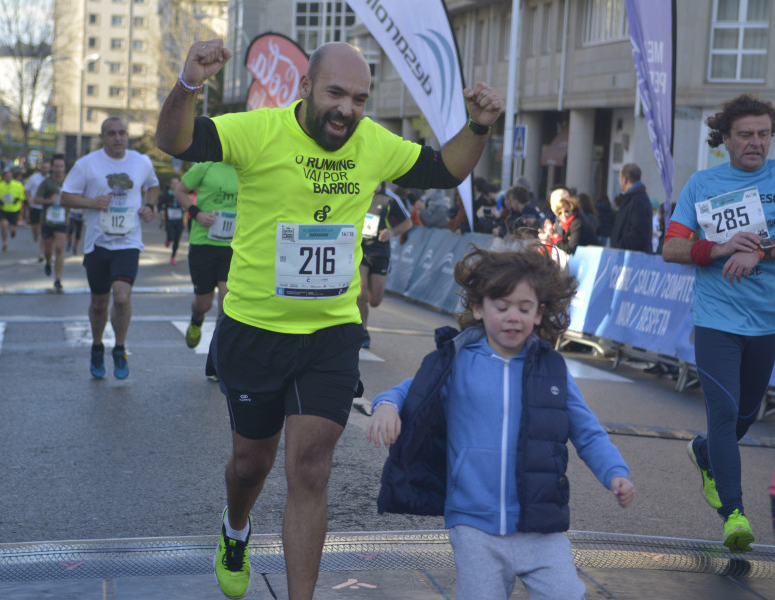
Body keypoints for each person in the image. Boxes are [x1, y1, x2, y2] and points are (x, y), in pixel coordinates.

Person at [155, 38, 502, 600]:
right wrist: (190, 84)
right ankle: (236, 527)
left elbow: (444, 168)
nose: (347, 109)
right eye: (336, 93)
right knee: (250, 464)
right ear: (306, 88)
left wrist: (479, 125)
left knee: (311, 470)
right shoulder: (258, 131)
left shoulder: (372, 142)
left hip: (331, 332)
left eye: (360, 98)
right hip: (255, 327)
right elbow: (172, 139)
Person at [366, 244, 635, 600]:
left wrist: (615, 472)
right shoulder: (457, 362)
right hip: (474, 524)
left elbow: (587, 432)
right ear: (478, 308)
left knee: (566, 594)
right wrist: (385, 406)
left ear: (539, 314)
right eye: (502, 306)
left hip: (540, 525)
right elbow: (409, 393)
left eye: (524, 308)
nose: (513, 317)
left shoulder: (551, 370)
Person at [662, 93, 775, 553]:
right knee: (726, 415)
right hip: (717, 321)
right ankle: (734, 515)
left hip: (766, 322)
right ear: (724, 139)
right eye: (745, 134)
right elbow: (671, 248)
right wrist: (721, 248)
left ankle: (705, 453)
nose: (756, 143)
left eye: (764, 134)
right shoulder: (703, 184)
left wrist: (762, 250)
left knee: (746, 415)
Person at [61, 116, 160, 380]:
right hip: (98, 244)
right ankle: (96, 346)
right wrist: (94, 203)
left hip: (128, 242)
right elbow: (65, 196)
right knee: (98, 302)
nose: (118, 138)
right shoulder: (87, 164)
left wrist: (149, 206)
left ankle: (119, 348)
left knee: (122, 296)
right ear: (102, 137)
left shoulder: (141, 161)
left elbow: (153, 186)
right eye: (112, 133)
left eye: (122, 133)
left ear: (128, 136)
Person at [172, 161, 238, 350]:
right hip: (204, 244)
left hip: (233, 245)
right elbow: (180, 192)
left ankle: (218, 357)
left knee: (226, 305)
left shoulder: (245, 166)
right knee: (204, 304)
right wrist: (197, 213)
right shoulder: (205, 166)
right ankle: (196, 320)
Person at [358, 189, 412, 348]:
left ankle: (365, 295)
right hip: (360, 249)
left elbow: (408, 222)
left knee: (375, 301)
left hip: (380, 251)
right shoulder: (359, 189)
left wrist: (392, 232)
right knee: (360, 292)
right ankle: (363, 331)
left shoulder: (389, 198)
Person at [34, 154, 69, 293]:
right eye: (56, 166)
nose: (59, 169)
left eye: (61, 166)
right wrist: (49, 201)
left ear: (64, 167)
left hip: (63, 220)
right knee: (48, 250)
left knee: (60, 248)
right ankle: (48, 261)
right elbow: (36, 199)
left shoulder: (69, 182)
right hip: (48, 220)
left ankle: (58, 279)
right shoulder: (47, 183)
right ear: (52, 168)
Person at [611, 163, 653, 252]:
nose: (618, 181)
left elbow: (637, 234)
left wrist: (619, 246)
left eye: (619, 177)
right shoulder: (632, 198)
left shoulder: (638, 200)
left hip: (630, 259)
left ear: (625, 179)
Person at [0, 170, 26, 251]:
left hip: (14, 209)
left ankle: (13, 232)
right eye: (6, 176)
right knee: (3, 225)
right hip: (3, 209)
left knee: (12, 228)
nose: (8, 178)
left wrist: (18, 199)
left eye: (10, 176)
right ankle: (4, 243)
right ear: (4, 177)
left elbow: (23, 194)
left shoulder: (18, 184)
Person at [25, 160, 51, 259]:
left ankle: (42, 253)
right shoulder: (34, 178)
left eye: (47, 167)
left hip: (46, 207)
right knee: (36, 228)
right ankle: (35, 235)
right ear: (40, 168)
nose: (45, 169)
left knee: (43, 229)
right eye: (43, 167)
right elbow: (26, 190)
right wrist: (29, 201)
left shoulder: (50, 178)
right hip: (35, 206)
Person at [159, 177, 186, 265]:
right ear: (170, 185)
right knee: (171, 236)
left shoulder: (182, 194)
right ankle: (168, 239)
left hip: (179, 220)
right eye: (173, 183)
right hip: (169, 219)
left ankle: (173, 257)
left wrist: (184, 208)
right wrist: (161, 210)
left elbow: (187, 204)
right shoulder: (166, 195)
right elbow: (160, 204)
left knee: (177, 240)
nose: (175, 185)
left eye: (176, 183)